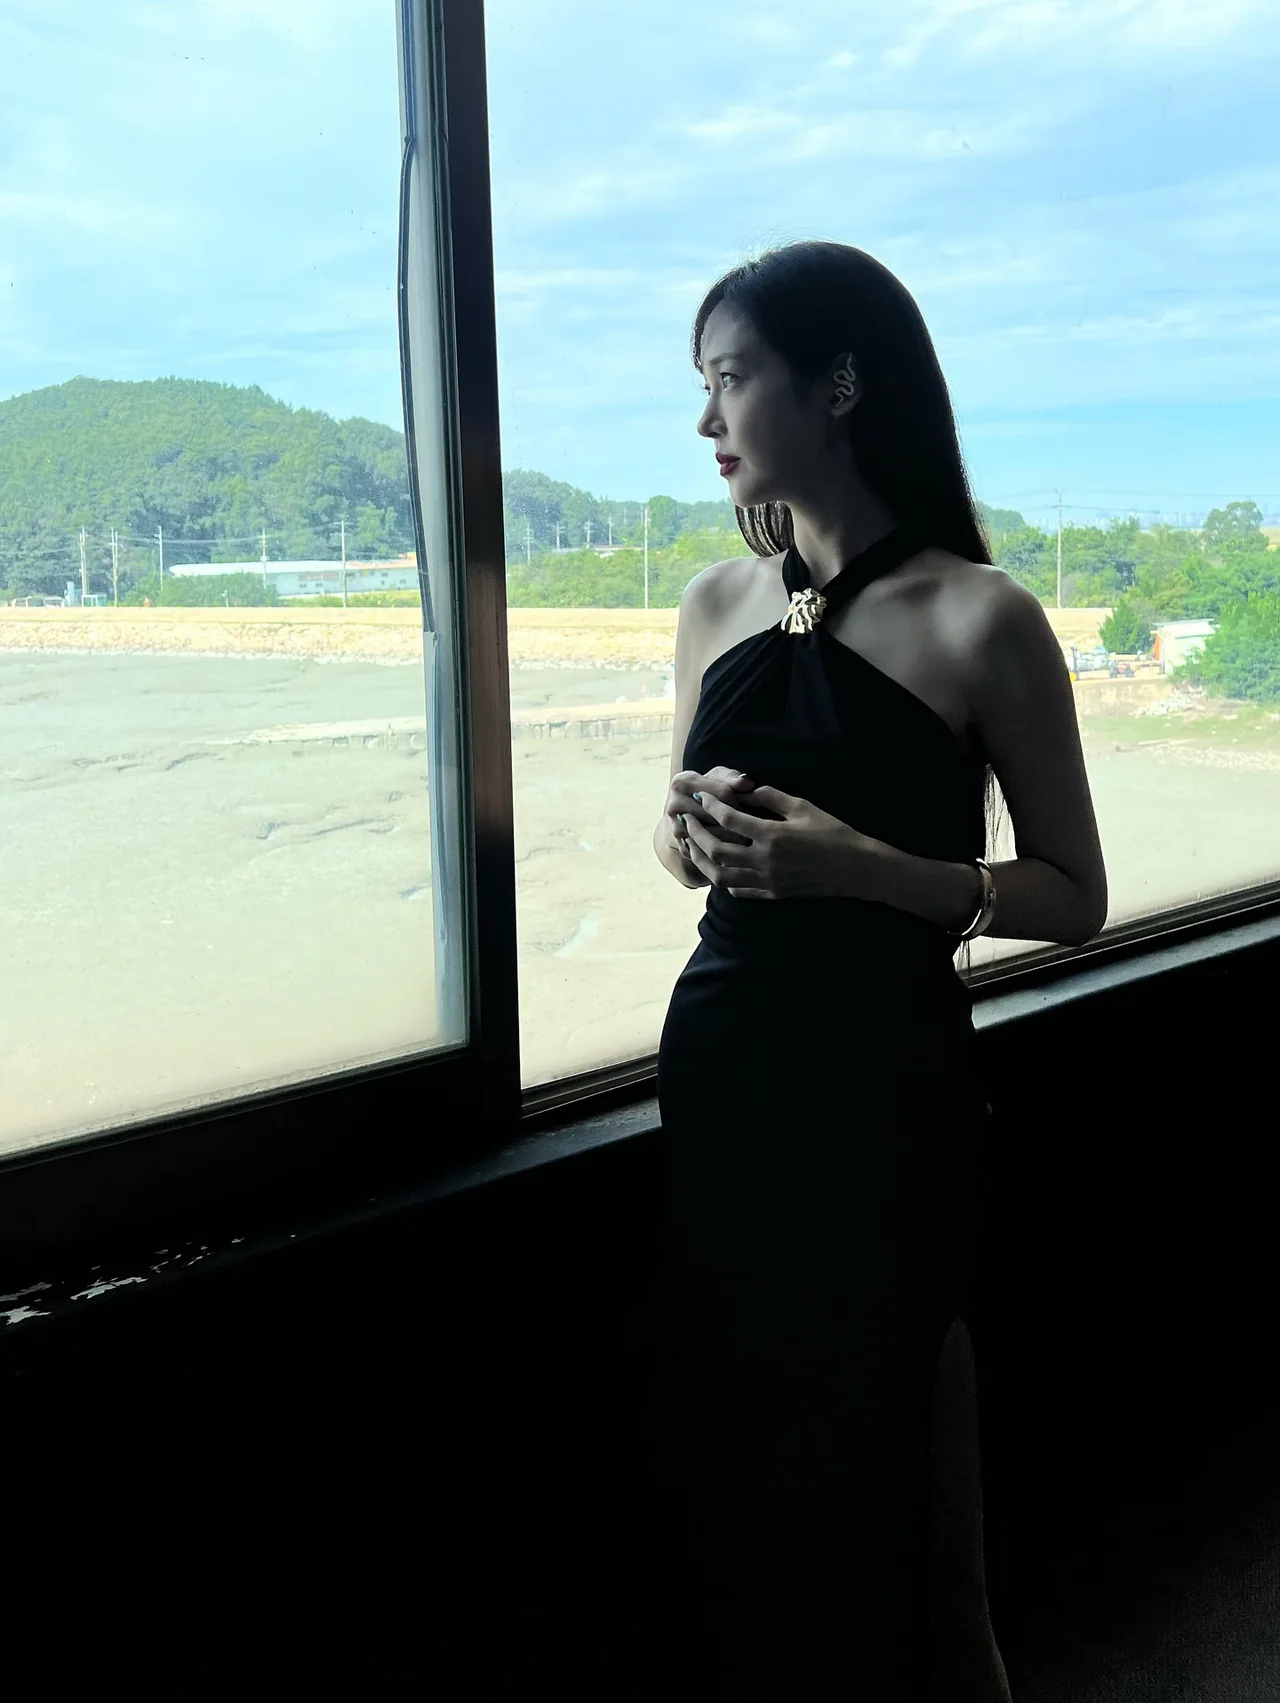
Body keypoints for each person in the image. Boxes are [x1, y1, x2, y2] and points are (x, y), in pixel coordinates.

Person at [645, 241, 1107, 1698]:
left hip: (885, 1093)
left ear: (838, 384)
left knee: (893, 1432)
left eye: (730, 380)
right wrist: (684, 834)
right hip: (722, 1073)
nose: (706, 420)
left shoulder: (983, 618)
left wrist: (864, 871)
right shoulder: (714, 603)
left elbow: (1074, 896)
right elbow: (684, 851)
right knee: (746, 1449)